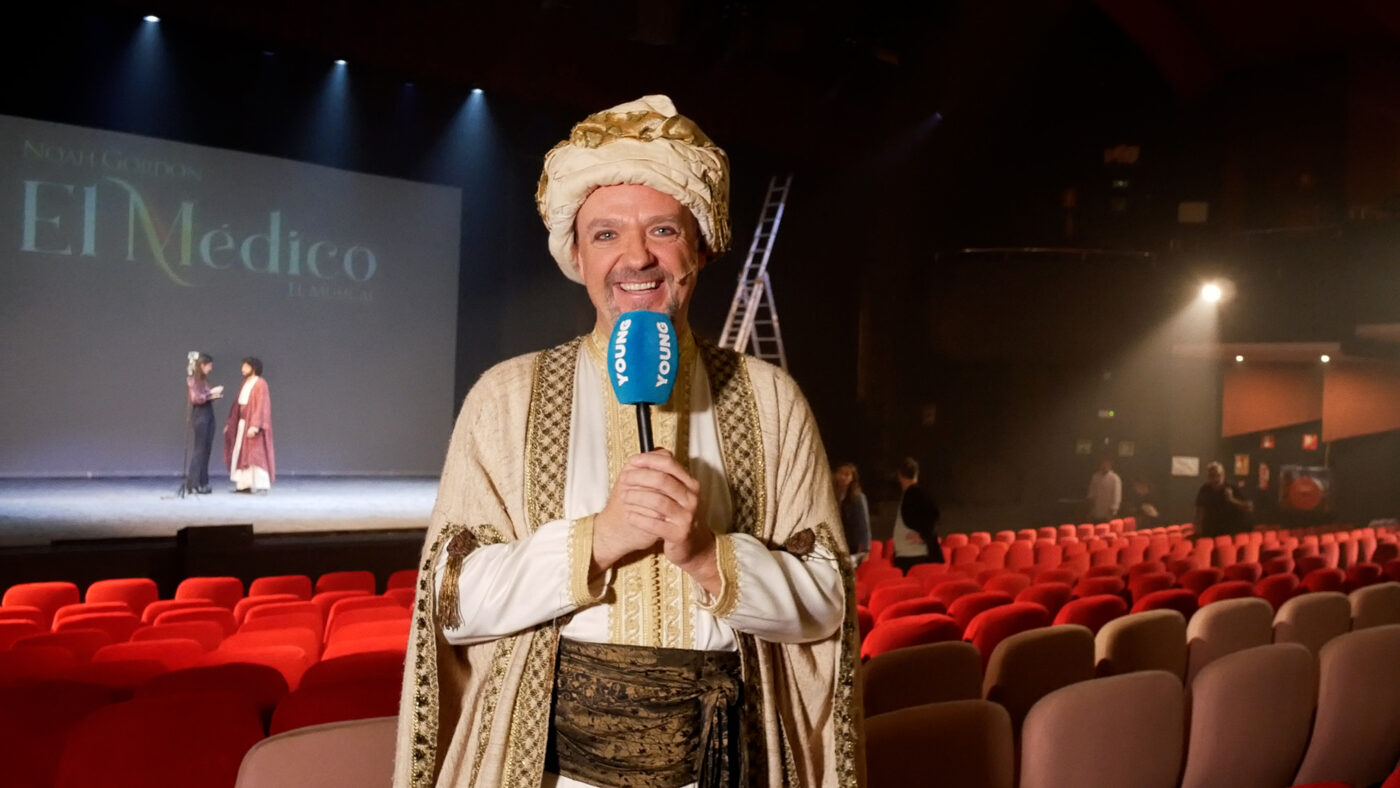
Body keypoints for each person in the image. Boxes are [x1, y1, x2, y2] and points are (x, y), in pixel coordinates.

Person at [393, 96, 860, 788]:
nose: (636, 256)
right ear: (575, 255)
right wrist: (595, 540)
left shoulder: (771, 401)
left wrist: (709, 556)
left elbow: (827, 600)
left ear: (700, 245)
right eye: (606, 234)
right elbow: (453, 600)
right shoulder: (505, 397)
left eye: (662, 229)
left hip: (730, 769)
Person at [224, 357, 275, 494]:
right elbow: (237, 405)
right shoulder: (245, 383)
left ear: (253, 368)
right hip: (242, 424)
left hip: (252, 425)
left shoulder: (260, 383)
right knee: (242, 454)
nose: (242, 369)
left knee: (255, 456)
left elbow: (262, 405)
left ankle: (262, 485)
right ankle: (243, 485)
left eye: (245, 367)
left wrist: (255, 425)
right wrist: (230, 424)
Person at [892, 456, 941, 571]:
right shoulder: (911, 493)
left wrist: (923, 536)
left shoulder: (916, 493)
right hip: (909, 554)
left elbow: (934, 514)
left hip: (914, 556)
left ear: (899, 476)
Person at [184, 352, 223, 494]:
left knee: (206, 450)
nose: (210, 368)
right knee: (199, 450)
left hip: (208, 414)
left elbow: (204, 396)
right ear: (202, 365)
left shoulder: (203, 380)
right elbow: (196, 398)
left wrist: (213, 395)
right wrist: (210, 394)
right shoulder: (193, 379)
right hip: (200, 415)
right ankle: (193, 483)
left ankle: (203, 481)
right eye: (209, 365)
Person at [1194, 461, 1251, 537]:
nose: (1215, 479)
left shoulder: (1231, 488)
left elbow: (1249, 507)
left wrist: (1232, 499)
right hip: (1209, 533)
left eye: (1218, 475)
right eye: (1212, 476)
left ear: (1223, 475)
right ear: (1208, 477)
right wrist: (1198, 530)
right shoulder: (1204, 490)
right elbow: (1199, 512)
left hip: (1229, 533)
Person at [833, 462, 871, 565]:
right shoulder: (832, 495)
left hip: (851, 544)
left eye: (847, 475)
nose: (843, 477)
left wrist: (866, 549)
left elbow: (864, 524)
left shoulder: (858, 498)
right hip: (834, 543)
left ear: (852, 478)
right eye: (841, 473)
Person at [1086, 457, 1122, 521]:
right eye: (1103, 464)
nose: (1104, 466)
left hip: (1108, 510)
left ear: (1110, 465)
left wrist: (1113, 508)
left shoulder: (1115, 478)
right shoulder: (1095, 476)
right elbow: (1091, 491)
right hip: (1096, 508)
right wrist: (1090, 505)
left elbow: (1117, 495)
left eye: (1106, 464)